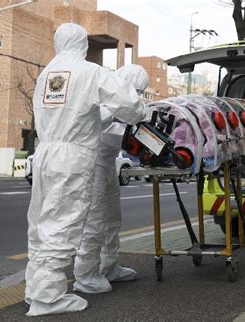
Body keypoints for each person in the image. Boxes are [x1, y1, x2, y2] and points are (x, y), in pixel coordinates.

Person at [25, 23, 146, 316]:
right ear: (82, 44)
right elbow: (128, 104)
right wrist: (141, 111)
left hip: (44, 153)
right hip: (72, 155)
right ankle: (48, 299)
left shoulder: (46, 75)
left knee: (41, 224)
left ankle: (36, 289)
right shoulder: (89, 71)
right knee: (63, 223)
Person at [73, 65, 149, 294]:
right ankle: (86, 275)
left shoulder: (123, 103)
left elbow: (122, 131)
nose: (137, 96)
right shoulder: (101, 96)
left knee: (112, 217)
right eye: (136, 90)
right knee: (95, 219)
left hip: (108, 163)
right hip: (91, 162)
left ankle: (109, 266)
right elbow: (96, 124)